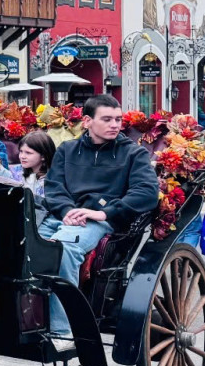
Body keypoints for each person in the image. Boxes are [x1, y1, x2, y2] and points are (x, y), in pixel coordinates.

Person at [41, 94, 158, 337]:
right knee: (25, 245)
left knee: (63, 248)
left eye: (117, 119)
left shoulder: (133, 154)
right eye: (106, 119)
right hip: (62, 216)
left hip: (100, 221)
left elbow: (147, 192)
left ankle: (63, 331)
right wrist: (65, 211)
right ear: (87, 121)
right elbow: (54, 187)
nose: (115, 125)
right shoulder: (67, 150)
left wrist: (103, 213)